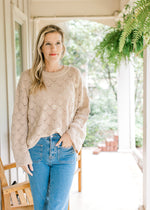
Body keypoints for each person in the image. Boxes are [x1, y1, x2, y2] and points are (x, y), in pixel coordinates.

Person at [11, 24, 90, 210]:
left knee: (56, 206)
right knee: (41, 206)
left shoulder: (73, 75)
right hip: (36, 150)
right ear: (41, 47)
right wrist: (21, 154)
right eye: (48, 44)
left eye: (57, 43)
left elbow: (83, 109)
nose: (53, 48)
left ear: (63, 47)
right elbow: (19, 118)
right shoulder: (28, 78)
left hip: (65, 150)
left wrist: (72, 134)